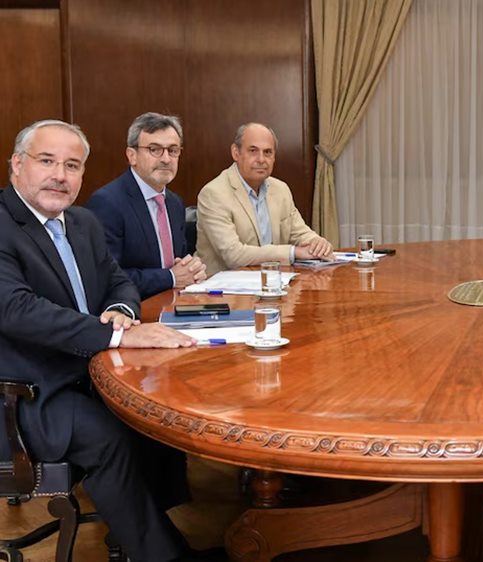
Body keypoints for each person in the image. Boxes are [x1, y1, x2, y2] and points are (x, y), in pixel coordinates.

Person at [0, 120, 221, 562]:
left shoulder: (81, 221)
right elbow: (17, 310)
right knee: (110, 437)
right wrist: (119, 334)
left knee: (157, 412)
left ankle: (141, 533)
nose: (60, 175)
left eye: (72, 165)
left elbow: (118, 281)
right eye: (47, 161)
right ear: (17, 166)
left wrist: (121, 310)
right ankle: (162, 555)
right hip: (27, 392)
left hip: (84, 371)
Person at [86, 112, 207, 298]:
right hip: (134, 307)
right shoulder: (107, 203)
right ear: (132, 156)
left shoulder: (174, 203)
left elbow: (179, 262)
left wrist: (192, 269)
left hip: (174, 302)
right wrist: (170, 277)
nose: (166, 159)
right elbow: (106, 277)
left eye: (173, 150)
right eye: (154, 149)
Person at [196, 122, 333, 275]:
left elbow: (300, 232)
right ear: (236, 153)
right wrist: (292, 252)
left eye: (267, 152)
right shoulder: (213, 194)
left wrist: (317, 243)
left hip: (273, 281)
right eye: (253, 151)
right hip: (224, 286)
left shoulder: (280, 189)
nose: (261, 159)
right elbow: (233, 255)